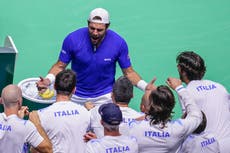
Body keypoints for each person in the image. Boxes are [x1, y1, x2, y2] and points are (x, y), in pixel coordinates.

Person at [36, 7, 150, 106]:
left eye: (99, 30)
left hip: (105, 97)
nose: (95, 33)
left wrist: (146, 87)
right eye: (92, 28)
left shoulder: (119, 43)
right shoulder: (72, 39)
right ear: (87, 24)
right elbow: (60, 66)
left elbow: (129, 73)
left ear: (107, 26)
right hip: (75, 95)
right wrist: (48, 80)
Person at [129, 77, 202, 153]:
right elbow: (196, 114)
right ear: (172, 105)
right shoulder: (178, 129)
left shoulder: (133, 127)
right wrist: (180, 88)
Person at [176, 51, 230, 153]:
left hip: (209, 148)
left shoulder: (185, 92)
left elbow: (189, 125)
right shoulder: (220, 87)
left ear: (181, 69)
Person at [32, 69, 90, 153]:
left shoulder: (39, 116)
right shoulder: (86, 113)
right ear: (74, 90)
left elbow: (35, 148)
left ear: (55, 86)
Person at [0, 84, 52, 153]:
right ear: (19, 102)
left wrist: (18, 119)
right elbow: (49, 150)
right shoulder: (27, 127)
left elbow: (8, 128)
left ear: (1, 100)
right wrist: (37, 124)